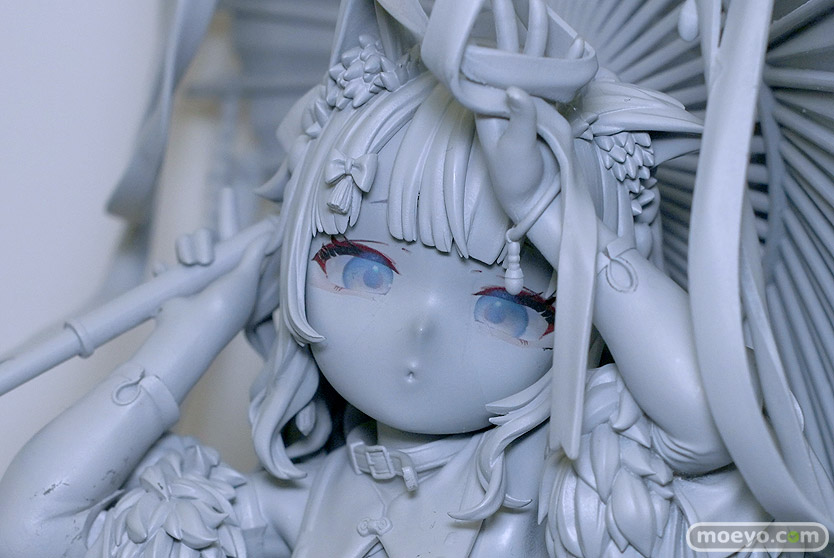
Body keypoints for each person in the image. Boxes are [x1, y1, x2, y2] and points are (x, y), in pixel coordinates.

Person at [0, 1, 817, 556]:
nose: (421, 329)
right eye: (360, 267)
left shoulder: (562, 499)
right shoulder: (303, 501)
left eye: (510, 308)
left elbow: (717, 430)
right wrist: (199, 325)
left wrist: (553, 215)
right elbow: (35, 530)